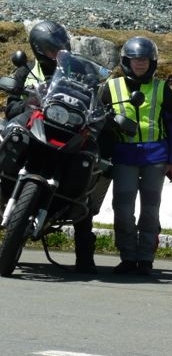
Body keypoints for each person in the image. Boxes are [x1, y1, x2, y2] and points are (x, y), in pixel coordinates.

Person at [3, 20, 106, 274]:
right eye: (51, 49)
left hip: (66, 130)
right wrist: (26, 104)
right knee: (9, 135)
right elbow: (11, 106)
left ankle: (85, 256)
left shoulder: (78, 70)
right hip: (33, 125)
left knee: (87, 170)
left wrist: (103, 116)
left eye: (61, 47)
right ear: (38, 49)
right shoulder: (27, 71)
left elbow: (96, 98)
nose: (57, 52)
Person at [105, 36, 172, 275]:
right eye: (135, 59)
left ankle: (146, 258)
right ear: (126, 61)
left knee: (150, 211)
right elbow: (100, 122)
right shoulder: (110, 87)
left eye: (145, 60)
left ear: (152, 62)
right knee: (123, 209)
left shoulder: (162, 89)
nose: (140, 63)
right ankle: (128, 256)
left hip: (155, 159)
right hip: (124, 157)